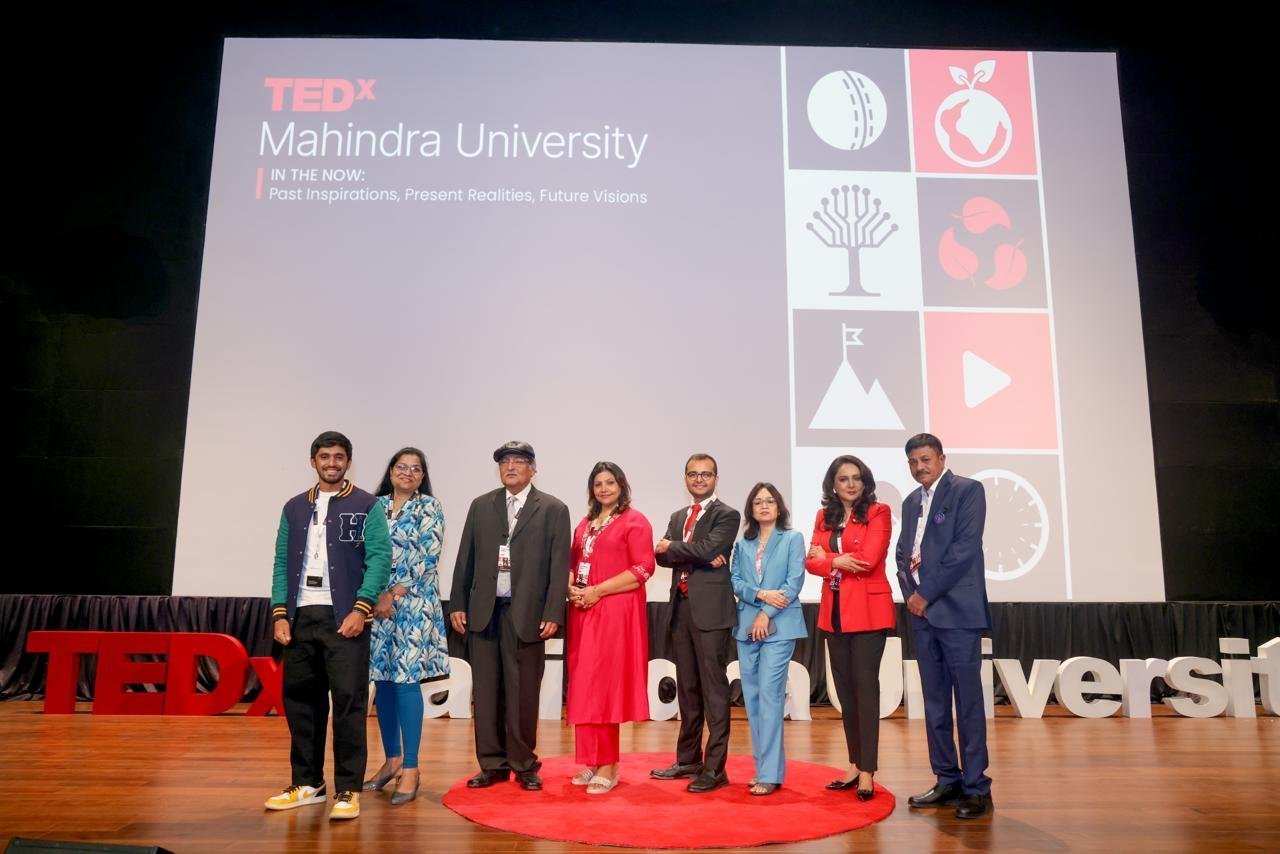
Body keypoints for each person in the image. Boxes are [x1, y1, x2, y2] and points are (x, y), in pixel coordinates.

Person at [264, 430, 391, 821]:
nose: (331, 463)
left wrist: (361, 609)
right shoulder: (294, 508)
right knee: (302, 703)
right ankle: (308, 784)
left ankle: (348, 789)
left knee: (349, 705)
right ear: (313, 461)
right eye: (324, 456)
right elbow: (282, 562)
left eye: (339, 457)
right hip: (301, 617)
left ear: (348, 462)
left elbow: (380, 558)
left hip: (345, 618)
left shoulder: (366, 505)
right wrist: (280, 613)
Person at [449, 441, 571, 791]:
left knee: (523, 693)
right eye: (505, 461)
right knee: (486, 691)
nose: (511, 466)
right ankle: (492, 764)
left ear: (534, 468)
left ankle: (524, 763)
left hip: (528, 614)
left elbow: (558, 563)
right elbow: (464, 559)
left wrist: (553, 611)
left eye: (520, 461)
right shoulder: (481, 506)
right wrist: (457, 602)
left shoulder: (552, 509)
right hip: (485, 612)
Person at [895, 433, 993, 819]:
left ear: (941, 458)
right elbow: (903, 553)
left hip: (957, 614)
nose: (920, 466)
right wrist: (910, 594)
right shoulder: (909, 502)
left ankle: (976, 787)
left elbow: (964, 549)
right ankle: (947, 779)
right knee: (934, 704)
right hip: (922, 616)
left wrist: (926, 593)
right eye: (913, 462)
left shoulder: (968, 491)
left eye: (925, 459)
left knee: (967, 704)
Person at [804, 454, 894, 800]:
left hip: (869, 611)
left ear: (865, 481)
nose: (851, 484)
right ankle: (855, 763)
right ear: (834, 484)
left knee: (865, 689)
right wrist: (835, 561)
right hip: (835, 612)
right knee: (844, 691)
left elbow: (870, 559)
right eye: (844, 479)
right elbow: (809, 562)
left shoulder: (878, 512)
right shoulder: (823, 516)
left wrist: (828, 559)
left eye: (857, 478)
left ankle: (869, 769)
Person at [364, 447, 449, 806]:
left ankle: (412, 768)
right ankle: (392, 760)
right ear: (391, 470)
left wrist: (393, 594)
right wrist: (372, 595)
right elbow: (361, 551)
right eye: (402, 466)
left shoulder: (429, 507)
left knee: (405, 681)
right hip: (375, 605)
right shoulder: (374, 506)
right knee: (382, 681)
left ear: (422, 475)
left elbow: (427, 557)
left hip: (412, 604)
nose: (409, 473)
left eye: (416, 469)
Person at [650, 453, 740, 793]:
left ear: (716, 478)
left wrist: (677, 547)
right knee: (687, 689)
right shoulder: (678, 516)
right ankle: (688, 759)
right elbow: (659, 556)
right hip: (681, 609)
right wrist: (694, 551)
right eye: (693, 474)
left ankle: (715, 769)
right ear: (685, 478)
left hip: (711, 613)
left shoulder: (727, 514)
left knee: (714, 692)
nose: (699, 479)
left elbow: (707, 548)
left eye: (706, 474)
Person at [565, 461, 655, 794]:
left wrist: (598, 591)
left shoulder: (635, 521)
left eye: (610, 482)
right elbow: (572, 564)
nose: (604, 488)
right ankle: (591, 759)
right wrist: (570, 587)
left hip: (614, 611)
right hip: (583, 611)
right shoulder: (585, 524)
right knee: (585, 685)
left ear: (622, 485)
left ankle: (610, 764)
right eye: (598, 483)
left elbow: (645, 568)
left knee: (605, 688)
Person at [729, 482, 806, 796]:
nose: (764, 506)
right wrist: (759, 595)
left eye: (769, 501)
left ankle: (771, 774)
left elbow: (794, 582)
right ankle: (762, 767)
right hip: (746, 626)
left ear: (779, 507)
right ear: (751, 508)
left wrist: (766, 613)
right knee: (753, 698)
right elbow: (734, 579)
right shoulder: (742, 544)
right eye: (758, 501)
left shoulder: (792, 539)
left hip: (780, 626)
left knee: (771, 697)